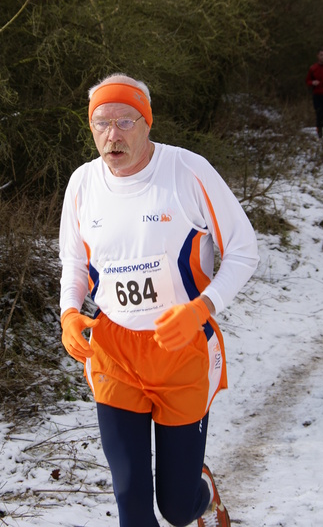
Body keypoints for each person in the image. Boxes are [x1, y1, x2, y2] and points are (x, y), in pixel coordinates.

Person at [59, 73, 259, 527]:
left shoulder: (187, 172)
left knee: (174, 507)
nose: (113, 134)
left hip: (182, 353)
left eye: (126, 121)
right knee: (131, 500)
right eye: (101, 122)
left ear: (147, 123)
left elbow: (244, 251)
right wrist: (70, 313)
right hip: (115, 354)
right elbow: (75, 264)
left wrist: (201, 308)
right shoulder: (82, 184)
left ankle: (200, 491)